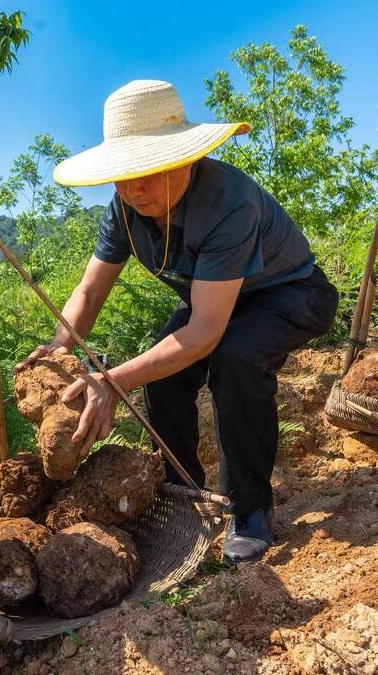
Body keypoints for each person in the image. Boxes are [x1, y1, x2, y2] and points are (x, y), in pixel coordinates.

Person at [20, 80, 338, 563]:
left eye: (148, 173)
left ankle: (249, 509)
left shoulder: (229, 201)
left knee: (237, 360)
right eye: (122, 177)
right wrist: (60, 345)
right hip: (214, 299)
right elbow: (89, 288)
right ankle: (181, 493)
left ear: (184, 158)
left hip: (290, 292)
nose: (134, 189)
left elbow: (207, 333)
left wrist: (112, 380)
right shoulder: (125, 209)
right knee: (162, 379)